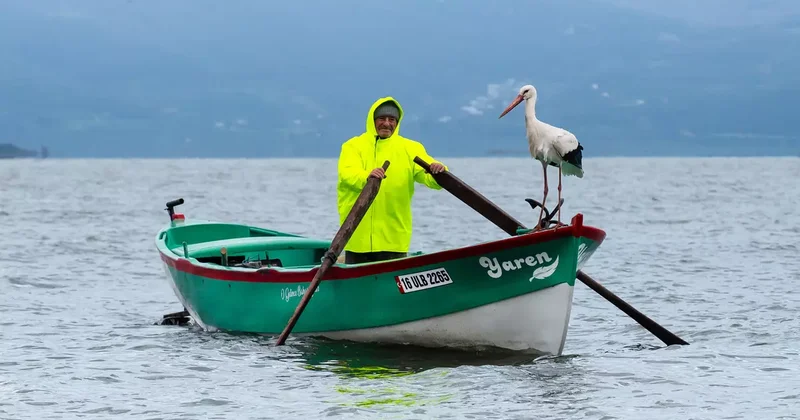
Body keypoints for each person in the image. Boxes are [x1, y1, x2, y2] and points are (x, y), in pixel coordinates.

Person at [337, 96, 447, 264]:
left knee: (390, 281)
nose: (387, 123)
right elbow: (348, 175)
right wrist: (367, 176)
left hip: (394, 237)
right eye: (381, 118)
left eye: (392, 119)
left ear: (397, 122)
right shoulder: (352, 146)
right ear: (372, 120)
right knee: (357, 281)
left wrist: (439, 171)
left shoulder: (411, 148)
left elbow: (429, 178)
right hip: (356, 235)